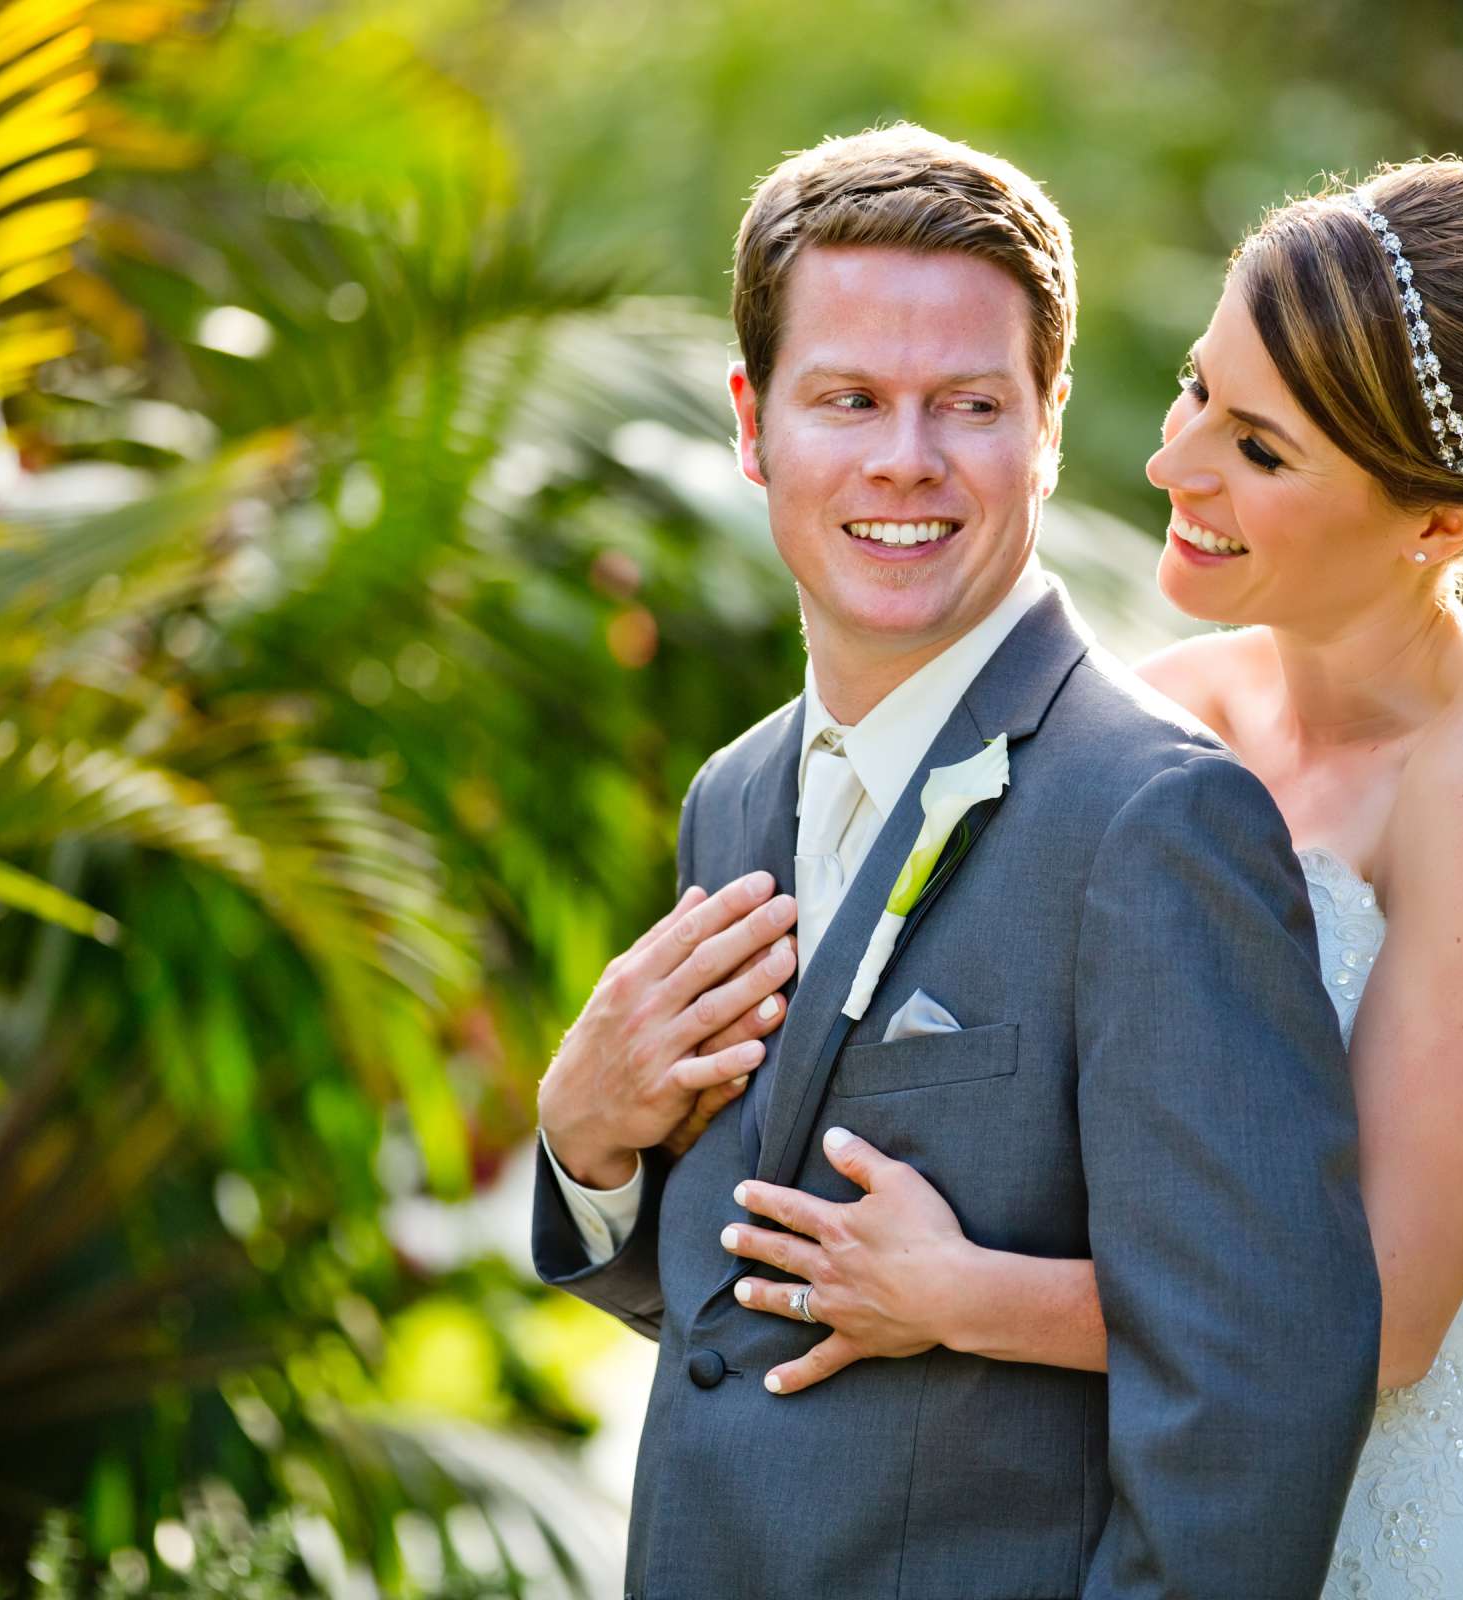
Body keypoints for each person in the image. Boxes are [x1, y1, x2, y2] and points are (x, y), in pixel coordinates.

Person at [722, 161, 1463, 1597]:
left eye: (1261, 451)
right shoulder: (1160, 717)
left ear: (1436, 523)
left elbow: (1390, 1317)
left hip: (1429, 1529)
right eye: (1193, 389)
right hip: (1154, 1518)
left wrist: (967, 1298)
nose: (1174, 465)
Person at [529, 124, 1383, 1600]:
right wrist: (588, 1147)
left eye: (968, 405)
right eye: (847, 398)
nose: (905, 461)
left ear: (1048, 423)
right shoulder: (734, 798)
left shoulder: (1157, 823)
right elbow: (739, 1313)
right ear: (754, 423)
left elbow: (1257, 1380)